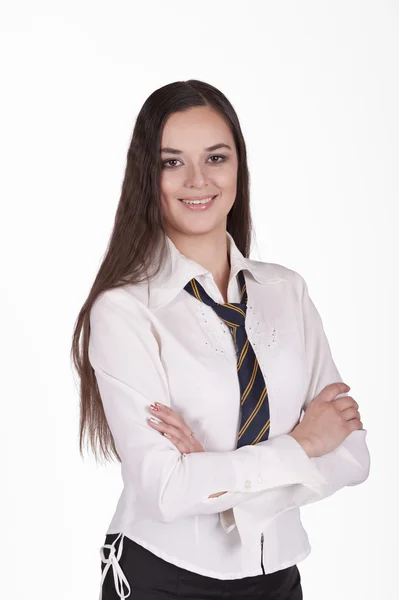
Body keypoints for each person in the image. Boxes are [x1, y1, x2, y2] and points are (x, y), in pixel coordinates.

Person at [71, 79, 370, 600]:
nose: (197, 180)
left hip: (277, 576)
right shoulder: (124, 311)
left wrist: (209, 474)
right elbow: (165, 491)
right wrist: (300, 445)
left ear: (238, 168)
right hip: (161, 575)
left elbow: (351, 455)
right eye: (171, 162)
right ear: (147, 175)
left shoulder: (287, 292)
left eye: (216, 157)